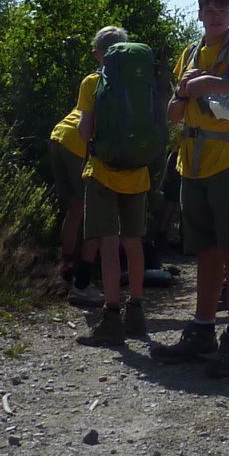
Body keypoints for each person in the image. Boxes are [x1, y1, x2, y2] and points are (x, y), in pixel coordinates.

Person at [149, 0, 229, 376]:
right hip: (193, 161)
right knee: (205, 250)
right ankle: (203, 330)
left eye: (223, 10)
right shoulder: (191, 52)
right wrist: (183, 95)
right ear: (199, 13)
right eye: (209, 9)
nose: (215, 16)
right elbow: (173, 114)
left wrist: (211, 82)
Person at [74, 25, 152, 346]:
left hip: (103, 173)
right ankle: (136, 312)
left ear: (98, 54)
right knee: (133, 243)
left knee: (109, 243)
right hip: (138, 173)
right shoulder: (143, 81)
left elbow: (83, 131)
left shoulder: (93, 82)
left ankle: (111, 317)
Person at [47, 45, 101, 298]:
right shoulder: (112, 82)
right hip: (77, 145)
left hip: (59, 136)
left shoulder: (93, 78)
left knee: (76, 208)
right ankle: (82, 282)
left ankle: (66, 270)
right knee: (95, 214)